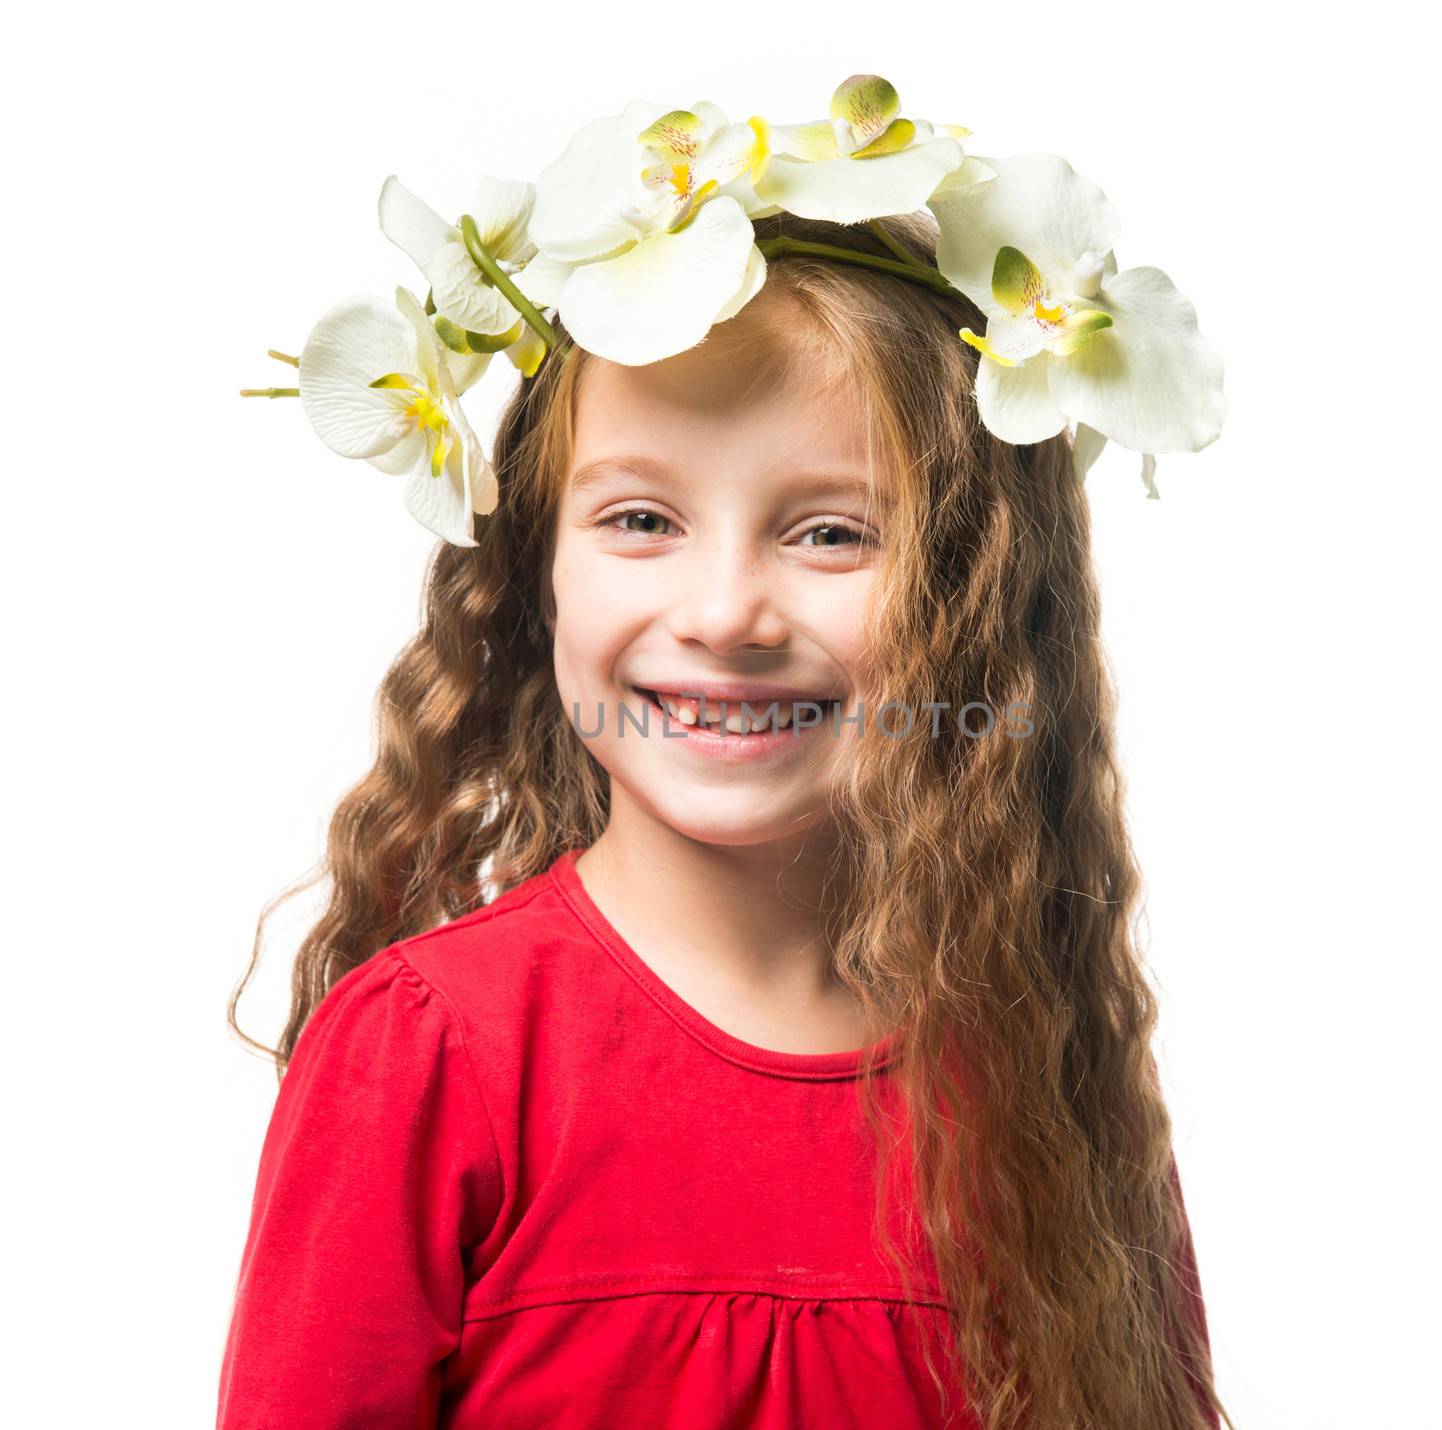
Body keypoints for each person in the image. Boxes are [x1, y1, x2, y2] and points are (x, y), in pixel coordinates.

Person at [220, 119, 1228, 1428]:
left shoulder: (1049, 1080)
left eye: (830, 530)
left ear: (971, 594)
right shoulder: (431, 1056)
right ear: (538, 567)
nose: (727, 611)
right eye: (642, 518)